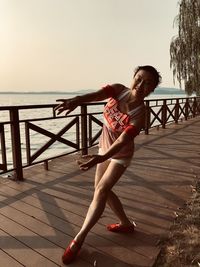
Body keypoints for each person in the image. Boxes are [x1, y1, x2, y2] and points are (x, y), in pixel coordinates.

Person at [55, 65, 162, 264]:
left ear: (152, 89)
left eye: (147, 83)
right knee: (100, 189)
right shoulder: (119, 90)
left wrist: (102, 158)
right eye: (138, 79)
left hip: (120, 154)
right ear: (133, 78)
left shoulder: (140, 114)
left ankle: (79, 239)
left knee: (102, 189)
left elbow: (122, 141)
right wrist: (76, 101)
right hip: (103, 149)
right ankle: (125, 224)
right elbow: (97, 95)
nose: (140, 85)